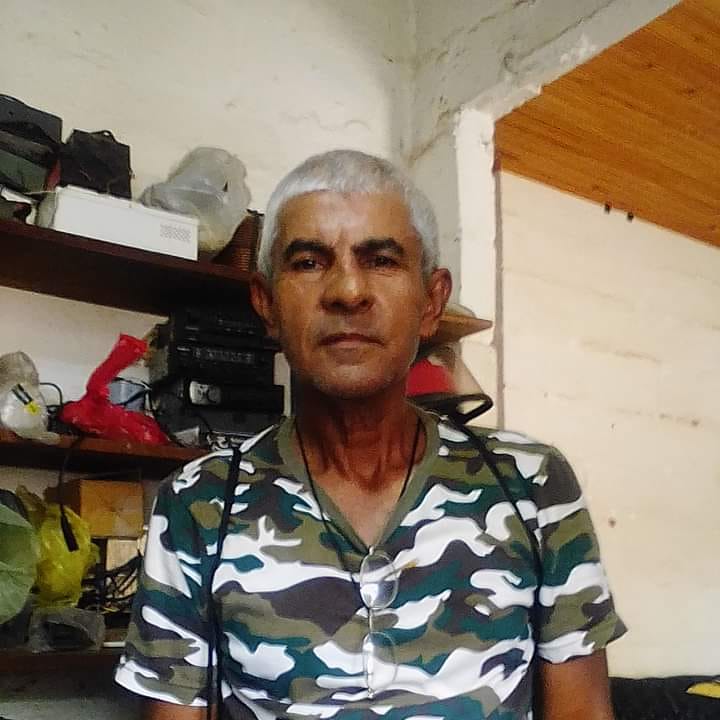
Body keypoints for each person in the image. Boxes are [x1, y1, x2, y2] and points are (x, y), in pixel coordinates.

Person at [115, 149, 626, 719]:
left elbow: (582, 712)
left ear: (431, 301)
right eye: (309, 262)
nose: (347, 291)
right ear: (267, 304)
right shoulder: (199, 503)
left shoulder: (531, 485)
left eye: (381, 260)